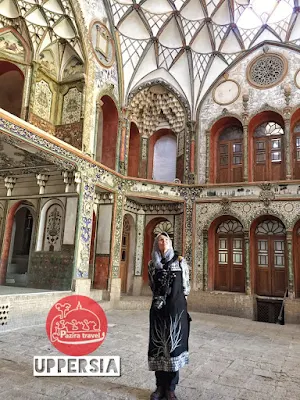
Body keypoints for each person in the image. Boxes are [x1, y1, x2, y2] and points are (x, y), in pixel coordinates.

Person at [148, 232, 191, 400]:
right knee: (159, 346)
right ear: (156, 244)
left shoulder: (180, 262)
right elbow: (152, 284)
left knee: (173, 347)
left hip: (175, 310)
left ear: (170, 243)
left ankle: (171, 388)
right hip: (158, 311)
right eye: (160, 240)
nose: (163, 243)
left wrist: (179, 304)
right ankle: (159, 387)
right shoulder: (152, 264)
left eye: (165, 240)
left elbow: (186, 287)